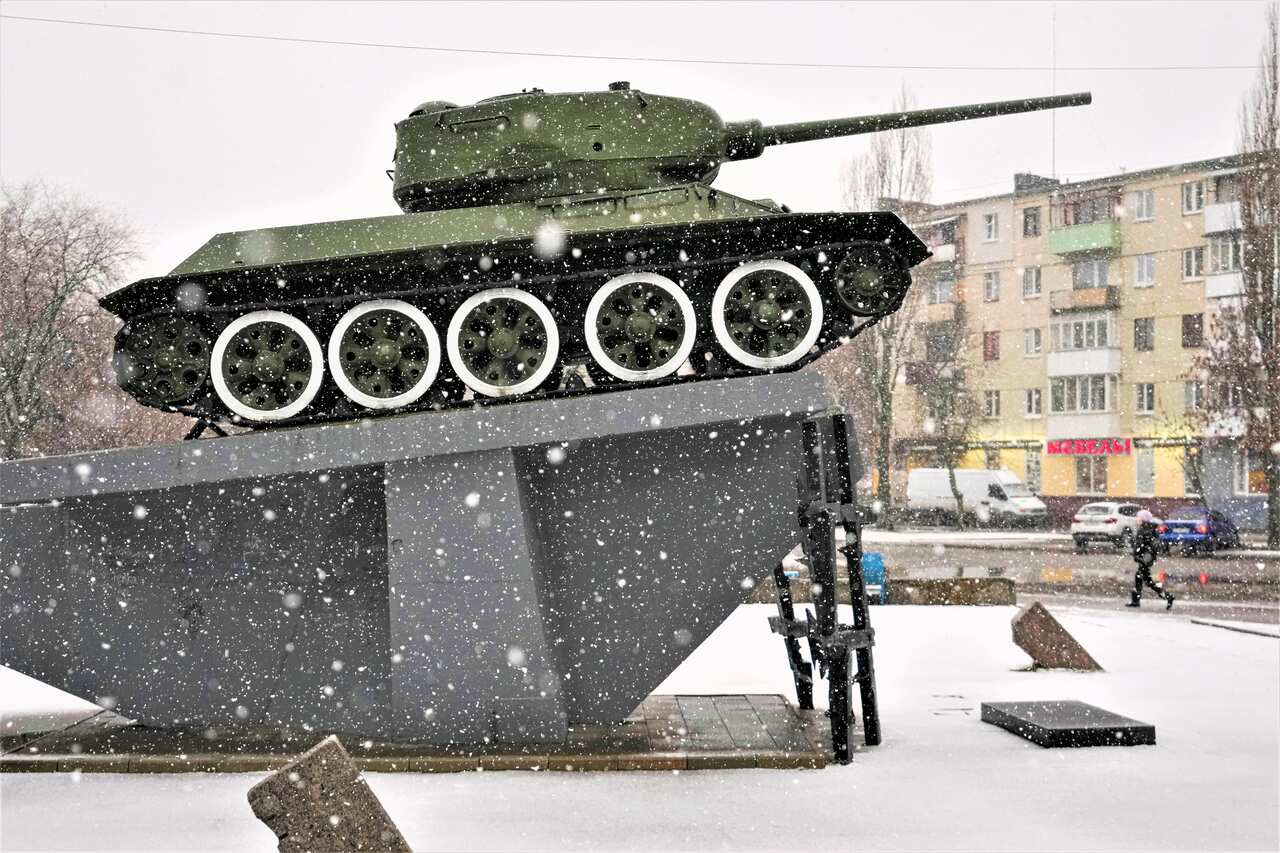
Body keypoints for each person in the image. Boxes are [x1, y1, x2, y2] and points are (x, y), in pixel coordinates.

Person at [1129, 509, 1174, 609]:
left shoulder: (1145, 529)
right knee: (1141, 578)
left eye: (1139, 518)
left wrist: (1138, 553)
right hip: (1146, 558)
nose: (1137, 520)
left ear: (1144, 520)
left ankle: (1167, 595)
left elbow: (1143, 544)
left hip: (1145, 559)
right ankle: (1136, 600)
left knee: (1145, 579)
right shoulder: (1148, 528)